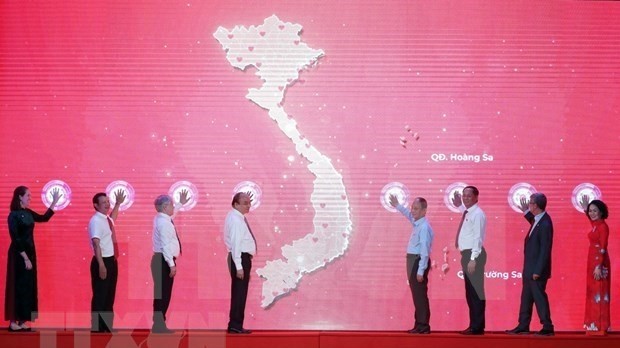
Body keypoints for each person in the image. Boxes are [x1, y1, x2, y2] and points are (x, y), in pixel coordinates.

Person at [5, 185, 61, 332]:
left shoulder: (28, 213)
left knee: (28, 287)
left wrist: (54, 202)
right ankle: (13, 321)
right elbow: (15, 238)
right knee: (17, 286)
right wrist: (25, 258)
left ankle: (23, 320)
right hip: (19, 255)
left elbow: (44, 218)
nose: (30, 198)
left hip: (30, 253)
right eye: (28, 195)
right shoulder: (13, 215)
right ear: (20, 197)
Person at [506, 193, 554, 336]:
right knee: (526, 298)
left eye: (530, 203)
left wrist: (538, 270)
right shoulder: (538, 220)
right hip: (529, 268)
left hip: (536, 270)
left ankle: (547, 326)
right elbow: (533, 223)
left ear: (536, 205)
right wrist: (525, 212)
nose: (529, 205)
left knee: (539, 298)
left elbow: (545, 249)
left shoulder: (545, 223)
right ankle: (523, 325)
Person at [389, 194, 433, 334]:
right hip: (413, 260)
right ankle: (419, 324)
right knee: (416, 294)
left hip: (418, 261)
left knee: (420, 295)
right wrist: (398, 205)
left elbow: (425, 251)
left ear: (424, 211)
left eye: (416, 209)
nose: (412, 211)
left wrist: (421, 270)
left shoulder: (424, 227)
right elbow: (408, 215)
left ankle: (424, 326)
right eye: (412, 208)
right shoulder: (417, 223)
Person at [151, 190, 189, 334]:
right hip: (163, 261)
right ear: (165, 207)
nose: (173, 208)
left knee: (162, 294)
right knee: (163, 294)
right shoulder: (164, 224)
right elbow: (166, 245)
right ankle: (159, 325)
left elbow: (172, 215)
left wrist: (180, 204)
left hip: (161, 260)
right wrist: (171, 265)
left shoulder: (161, 218)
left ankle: (159, 324)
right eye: (172, 205)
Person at [88, 190, 125, 333]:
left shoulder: (105, 219)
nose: (106, 204)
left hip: (111, 260)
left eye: (107, 202)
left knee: (109, 295)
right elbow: (96, 243)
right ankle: (97, 327)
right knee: (100, 295)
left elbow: (112, 219)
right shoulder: (96, 221)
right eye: (103, 203)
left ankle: (106, 326)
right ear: (95, 205)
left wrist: (117, 204)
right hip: (101, 261)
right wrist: (101, 265)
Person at [452, 186, 487, 335]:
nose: (465, 198)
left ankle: (477, 327)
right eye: (464, 195)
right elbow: (468, 219)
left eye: (468, 196)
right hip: (467, 255)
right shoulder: (469, 213)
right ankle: (474, 325)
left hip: (474, 256)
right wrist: (460, 206)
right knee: (470, 292)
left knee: (476, 292)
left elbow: (477, 238)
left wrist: (473, 259)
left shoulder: (478, 214)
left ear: (476, 197)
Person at [224, 192, 256, 334]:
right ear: (236, 204)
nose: (248, 205)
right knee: (239, 292)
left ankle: (236, 324)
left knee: (240, 292)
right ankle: (235, 325)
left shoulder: (236, 217)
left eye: (249, 202)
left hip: (241, 258)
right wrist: (239, 266)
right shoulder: (236, 220)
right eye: (245, 203)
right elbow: (236, 243)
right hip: (240, 258)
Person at [583, 199, 611, 335]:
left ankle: (601, 326)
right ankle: (593, 325)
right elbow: (592, 223)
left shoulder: (603, 227)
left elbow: (603, 248)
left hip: (599, 263)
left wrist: (599, 266)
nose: (592, 213)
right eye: (590, 211)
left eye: (595, 210)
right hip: (592, 262)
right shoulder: (595, 225)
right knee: (592, 293)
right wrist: (585, 210)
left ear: (601, 212)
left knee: (599, 293)